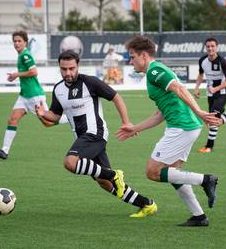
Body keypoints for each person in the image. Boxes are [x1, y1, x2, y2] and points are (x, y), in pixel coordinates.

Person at [34, 50, 157, 218]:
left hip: (95, 134)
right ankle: (146, 204)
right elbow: (55, 116)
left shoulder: (90, 82)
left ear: (78, 66)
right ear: (60, 68)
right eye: (64, 69)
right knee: (104, 182)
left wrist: (126, 121)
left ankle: (115, 175)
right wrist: (43, 113)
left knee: (70, 163)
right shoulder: (58, 89)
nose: (68, 72)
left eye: (71, 68)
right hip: (82, 139)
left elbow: (116, 97)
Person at [117, 35, 222, 227]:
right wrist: (134, 128)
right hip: (185, 126)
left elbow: (178, 88)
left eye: (132, 57)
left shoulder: (154, 71)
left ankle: (206, 180)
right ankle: (199, 216)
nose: (130, 61)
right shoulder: (155, 71)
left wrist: (198, 110)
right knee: (173, 173)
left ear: (144, 56)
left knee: (153, 172)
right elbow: (160, 114)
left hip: (182, 127)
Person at [0, 30, 66, 159]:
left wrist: (16, 75)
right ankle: (4, 151)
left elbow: (34, 72)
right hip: (24, 96)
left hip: (34, 96)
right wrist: (16, 76)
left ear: (25, 42)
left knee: (47, 123)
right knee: (13, 119)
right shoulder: (21, 55)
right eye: (15, 41)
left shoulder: (25, 55)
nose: (16, 43)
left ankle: (71, 117)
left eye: (19, 41)